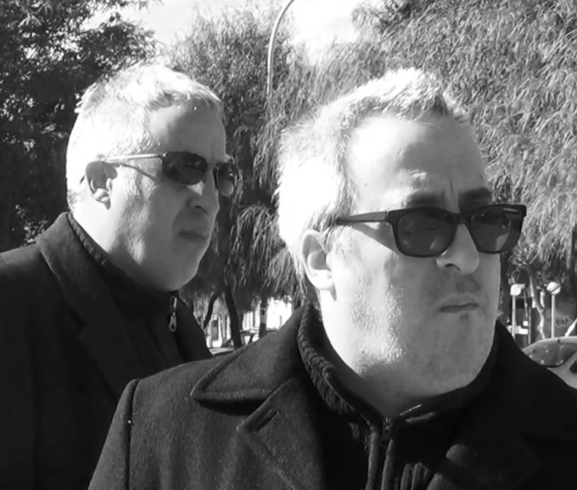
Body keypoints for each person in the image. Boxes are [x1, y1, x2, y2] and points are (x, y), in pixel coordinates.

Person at [89, 68, 577, 490]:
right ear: (321, 259)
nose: (467, 257)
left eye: (486, 220)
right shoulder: (164, 433)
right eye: (421, 226)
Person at [0, 63, 238, 490]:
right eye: (186, 169)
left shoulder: (182, 330)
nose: (209, 199)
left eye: (221, 175)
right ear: (100, 182)